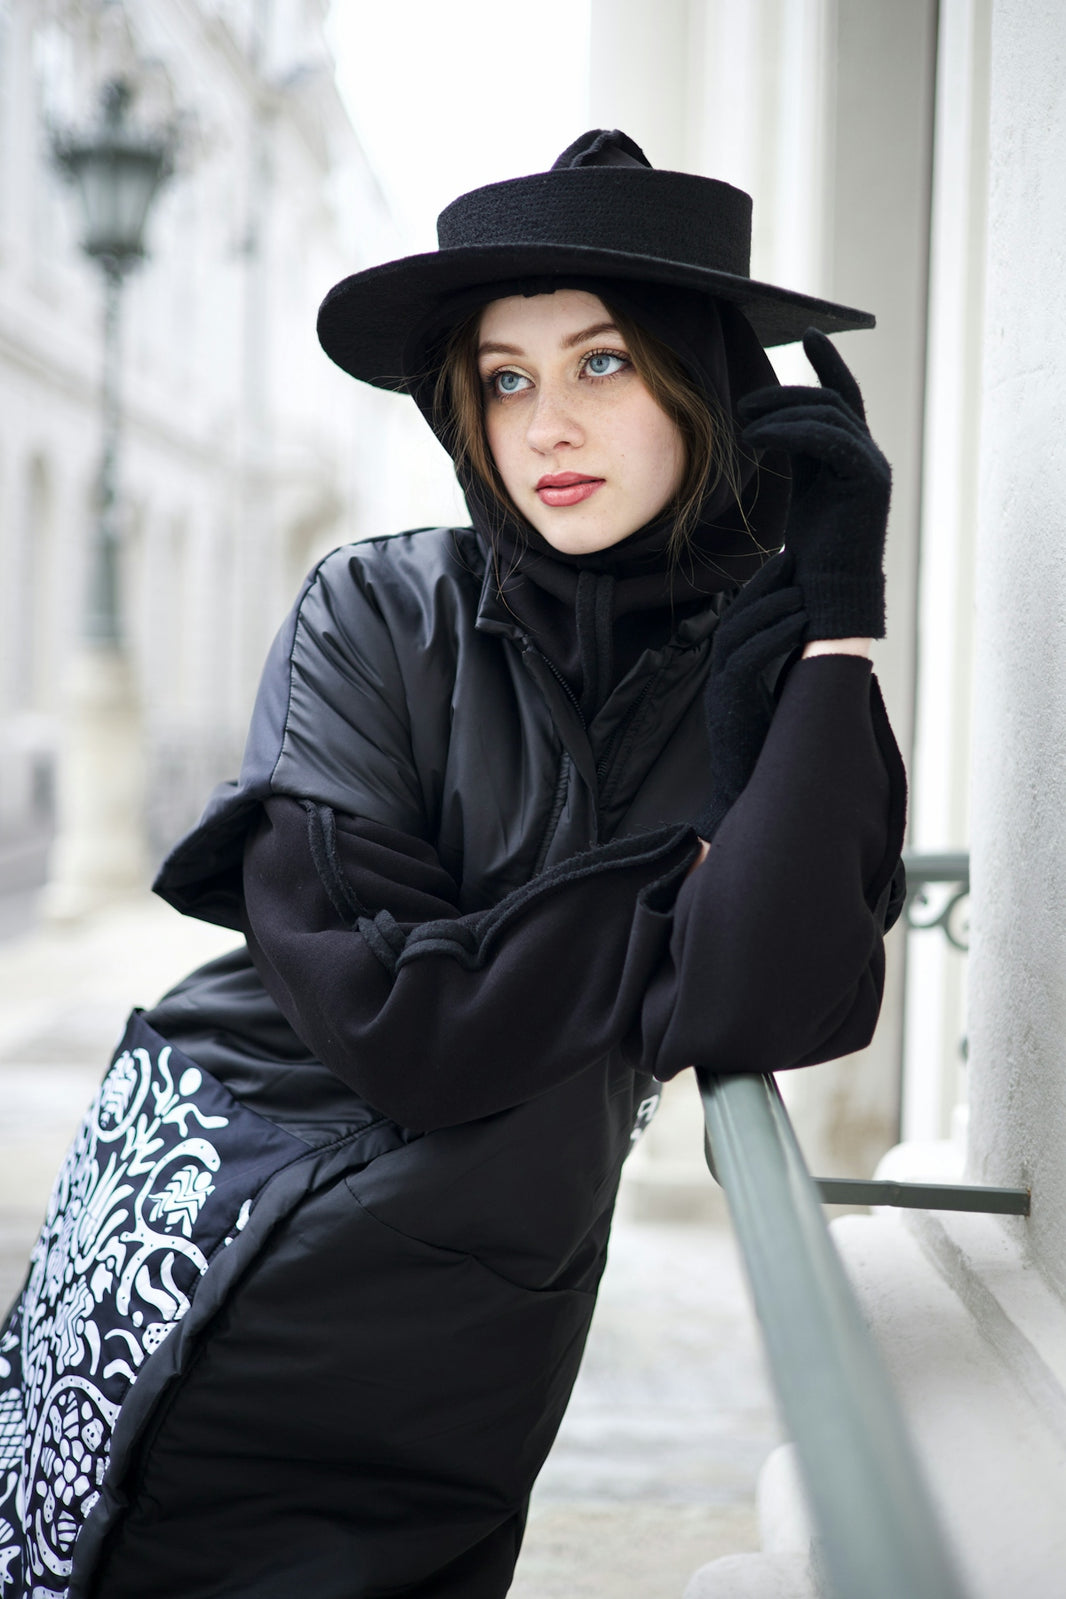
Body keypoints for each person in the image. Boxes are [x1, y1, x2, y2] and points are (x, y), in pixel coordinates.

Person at [0, 129, 905, 1599]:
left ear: (709, 383)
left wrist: (835, 634)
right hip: (194, 1264)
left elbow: (759, 1003)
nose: (545, 423)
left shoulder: (773, 673)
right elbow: (402, 1027)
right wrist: (680, 874)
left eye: (602, 364)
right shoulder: (376, 611)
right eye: (505, 377)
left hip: (458, 1359)